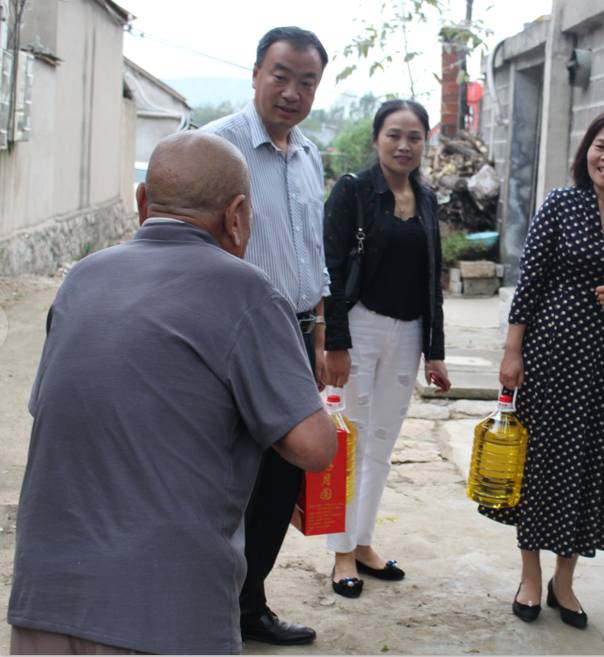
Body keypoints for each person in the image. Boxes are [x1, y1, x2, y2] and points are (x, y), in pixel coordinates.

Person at [5, 132, 337, 655]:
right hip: (167, 615)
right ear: (238, 214)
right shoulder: (248, 291)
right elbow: (316, 448)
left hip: (44, 602)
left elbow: (65, 407)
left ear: (143, 202)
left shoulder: (81, 280)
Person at [482, 109, 604, 629]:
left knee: (589, 463)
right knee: (539, 460)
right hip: (548, 348)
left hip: (603, 359)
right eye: (600, 146)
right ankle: (530, 575)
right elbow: (531, 280)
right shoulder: (561, 204)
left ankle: (566, 581)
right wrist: (512, 351)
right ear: (586, 152)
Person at [202, 26, 330, 645]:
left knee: (283, 479)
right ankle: (207, 606)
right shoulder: (215, 149)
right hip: (231, 333)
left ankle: (250, 606)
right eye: (280, 75)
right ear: (255, 73)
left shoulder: (309, 156)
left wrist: (322, 330)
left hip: (298, 333)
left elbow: (312, 249)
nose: (291, 91)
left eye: (306, 81)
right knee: (226, 476)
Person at [322, 99, 451, 597]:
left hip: (409, 332)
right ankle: (341, 553)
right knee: (349, 442)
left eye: (415, 137)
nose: (404, 145)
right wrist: (335, 341)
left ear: (424, 143)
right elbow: (332, 270)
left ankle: (364, 541)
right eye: (394, 135)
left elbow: (431, 278)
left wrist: (434, 351)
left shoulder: (427, 199)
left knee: (382, 444)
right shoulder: (353, 192)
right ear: (377, 139)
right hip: (360, 326)